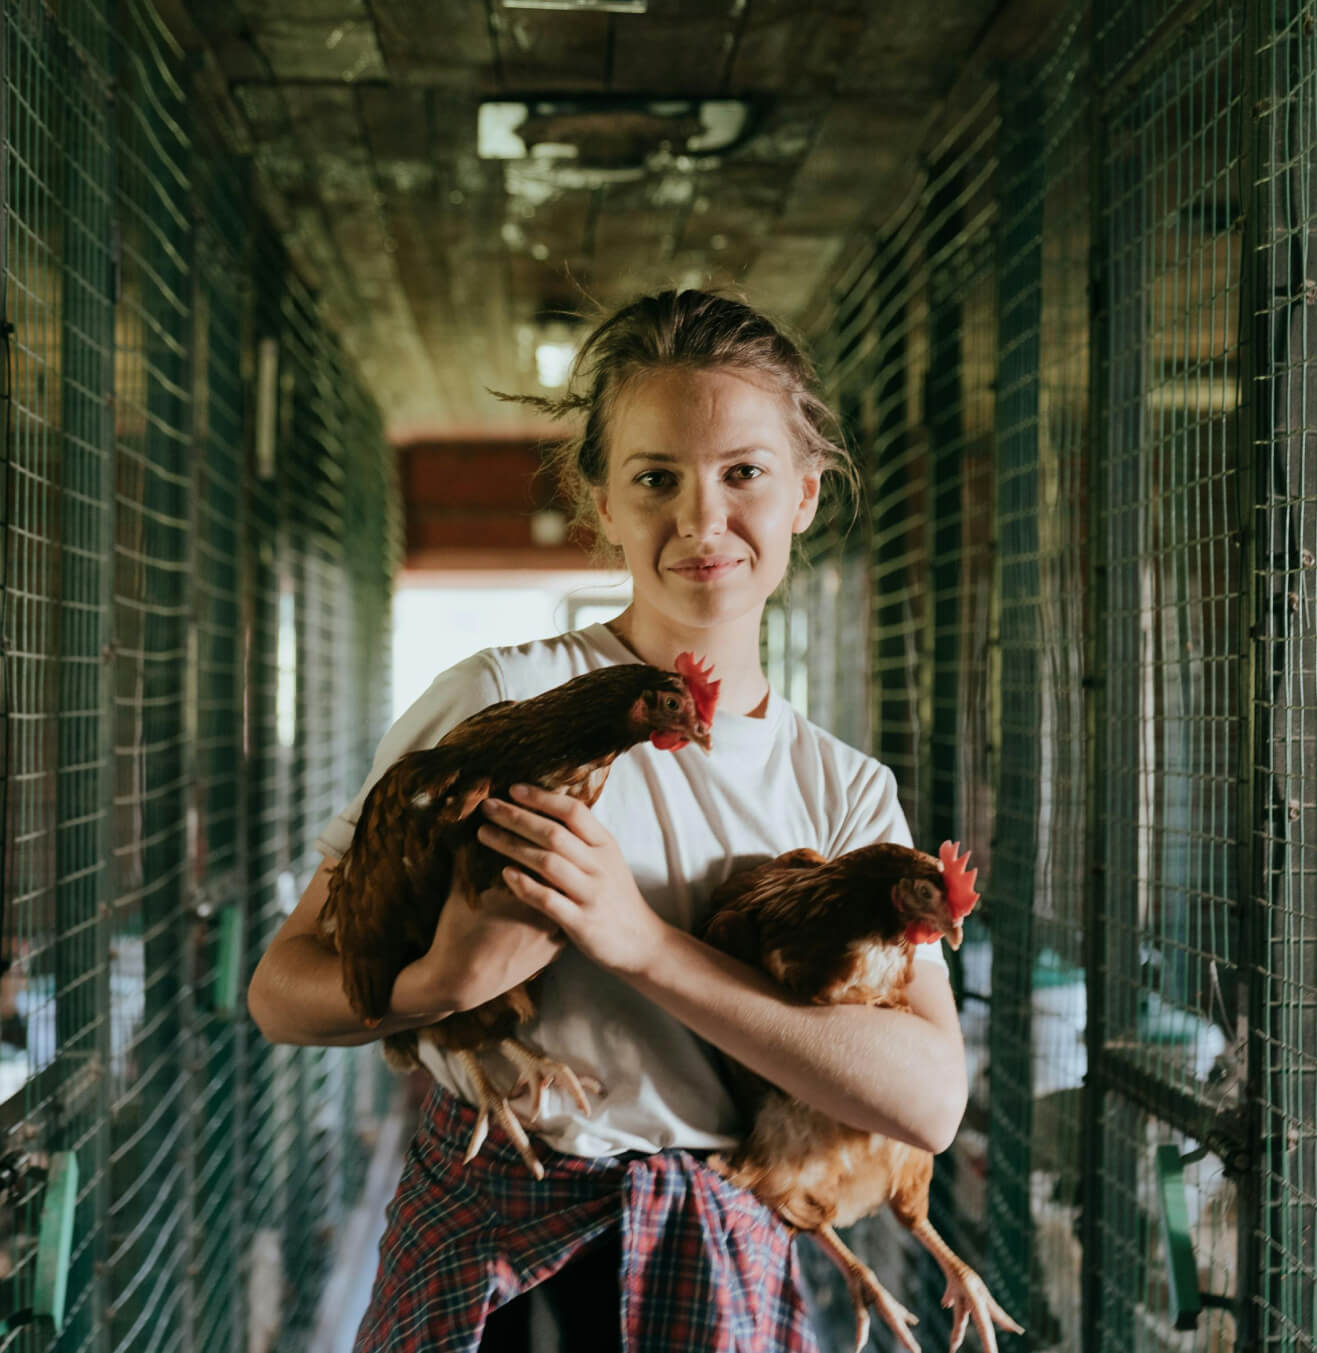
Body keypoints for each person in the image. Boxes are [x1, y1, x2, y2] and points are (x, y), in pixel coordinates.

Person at [246, 288, 968, 1352]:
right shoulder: (500, 701)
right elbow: (281, 987)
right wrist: (435, 985)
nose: (701, 520)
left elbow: (931, 1099)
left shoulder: (845, 789)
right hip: (493, 1225)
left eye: (744, 473)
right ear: (603, 504)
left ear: (806, 494)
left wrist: (643, 946)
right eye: (655, 478)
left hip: (717, 1238)